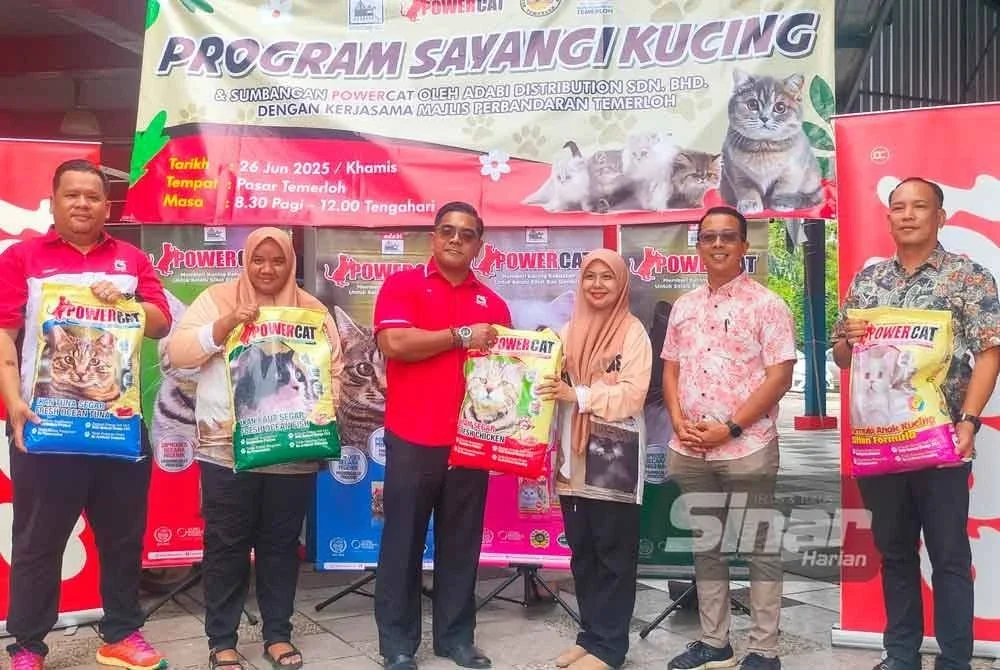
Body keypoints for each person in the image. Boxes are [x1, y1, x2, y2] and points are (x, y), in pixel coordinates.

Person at [0, 159, 172, 670]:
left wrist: (129, 301)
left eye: (92, 197)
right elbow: (5, 338)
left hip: (117, 423)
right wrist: (13, 404)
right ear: (53, 202)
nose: (82, 204)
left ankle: (121, 634)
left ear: (106, 206)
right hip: (45, 423)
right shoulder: (22, 259)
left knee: (122, 537)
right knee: (38, 541)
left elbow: (161, 324)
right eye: (71, 195)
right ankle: (28, 645)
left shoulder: (130, 260)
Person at [832, 177, 1000, 670]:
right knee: (895, 553)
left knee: (948, 556)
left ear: (940, 216)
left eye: (918, 207)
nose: (906, 215)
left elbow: (990, 353)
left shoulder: (966, 278)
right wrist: (848, 338)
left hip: (941, 438)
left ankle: (954, 660)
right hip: (880, 442)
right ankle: (900, 654)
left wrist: (969, 419)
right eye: (898, 207)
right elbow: (843, 358)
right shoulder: (869, 281)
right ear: (888, 219)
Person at [166, 227, 344, 670]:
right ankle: (221, 640)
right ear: (245, 262)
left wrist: (325, 407)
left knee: (281, 545)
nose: (268, 269)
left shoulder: (312, 311)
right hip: (227, 452)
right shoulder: (217, 299)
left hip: (292, 450)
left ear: (291, 264)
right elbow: (180, 352)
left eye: (278, 261)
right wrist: (227, 324)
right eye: (258, 260)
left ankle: (278, 634)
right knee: (226, 544)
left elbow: (334, 370)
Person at [372, 201, 512, 670]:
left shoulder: (493, 305)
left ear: (479, 244)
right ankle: (397, 644)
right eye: (447, 231)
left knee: (461, 545)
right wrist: (459, 336)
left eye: (466, 233)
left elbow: (510, 377)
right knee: (402, 544)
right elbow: (394, 343)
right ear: (432, 237)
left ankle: (455, 639)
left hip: (471, 443)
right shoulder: (402, 285)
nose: (455, 239)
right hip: (413, 438)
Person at [662, 206, 796, 670]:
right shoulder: (684, 306)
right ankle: (714, 640)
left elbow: (779, 376)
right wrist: (678, 421)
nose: (717, 244)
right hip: (692, 448)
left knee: (760, 548)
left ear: (744, 246)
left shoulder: (768, 305)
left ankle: (764, 649)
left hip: (748, 446)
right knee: (707, 546)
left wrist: (732, 427)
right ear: (698, 246)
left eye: (727, 237)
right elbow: (671, 368)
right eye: (708, 237)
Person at [536, 249, 652, 670]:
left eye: (607, 277)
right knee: (582, 550)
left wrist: (579, 395)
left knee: (613, 553)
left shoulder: (632, 332)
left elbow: (632, 395)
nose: (598, 284)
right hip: (573, 455)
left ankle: (610, 647)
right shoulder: (567, 332)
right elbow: (548, 384)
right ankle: (590, 636)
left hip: (613, 455)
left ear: (621, 284)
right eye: (590, 276)